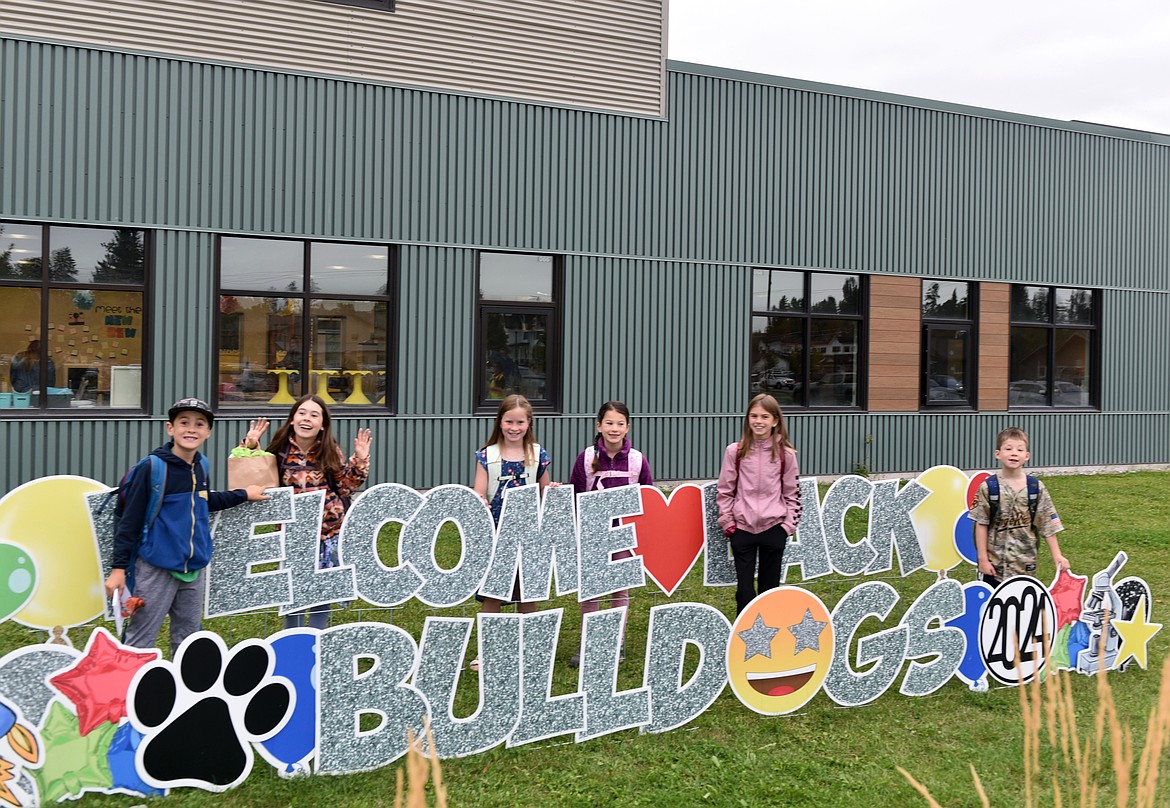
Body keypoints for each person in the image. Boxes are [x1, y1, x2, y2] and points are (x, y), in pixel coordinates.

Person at [103, 397, 269, 653]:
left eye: (199, 424)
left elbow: (205, 501)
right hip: (155, 568)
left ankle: (183, 692)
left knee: (189, 641)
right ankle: (130, 691)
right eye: (184, 422)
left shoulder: (201, 466)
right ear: (170, 428)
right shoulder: (152, 468)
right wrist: (118, 569)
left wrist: (243, 494)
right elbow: (129, 521)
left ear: (208, 432)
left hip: (193, 569)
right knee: (140, 640)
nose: (191, 429)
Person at [241, 394, 372, 629]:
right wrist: (251, 447)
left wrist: (360, 460)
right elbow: (257, 478)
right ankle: (293, 640)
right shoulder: (279, 451)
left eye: (314, 415)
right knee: (292, 592)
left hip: (327, 534)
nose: (307, 418)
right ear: (292, 419)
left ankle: (316, 639)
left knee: (321, 592)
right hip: (292, 535)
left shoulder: (330, 451)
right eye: (302, 413)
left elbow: (346, 486)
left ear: (322, 424)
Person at [470, 394, 555, 670]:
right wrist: (479, 500)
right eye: (509, 421)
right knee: (494, 592)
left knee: (527, 592)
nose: (514, 427)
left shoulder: (537, 455)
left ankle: (529, 648)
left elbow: (545, 491)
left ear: (529, 423)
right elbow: (479, 491)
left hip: (528, 533)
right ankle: (488, 651)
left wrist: (552, 493)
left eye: (520, 422)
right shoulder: (487, 455)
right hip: (497, 533)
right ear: (500, 422)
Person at [567, 401, 653, 668]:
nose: (614, 429)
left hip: (624, 535)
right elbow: (576, 495)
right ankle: (588, 643)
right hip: (593, 533)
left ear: (628, 427)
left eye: (619, 424)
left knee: (619, 589)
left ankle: (616, 643)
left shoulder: (637, 460)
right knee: (592, 590)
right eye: (609, 423)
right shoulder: (586, 457)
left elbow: (646, 496)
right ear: (599, 426)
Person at [716, 394, 802, 616]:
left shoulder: (786, 455)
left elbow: (793, 493)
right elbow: (725, 490)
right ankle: (744, 639)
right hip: (742, 528)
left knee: (769, 590)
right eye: (754, 416)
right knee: (744, 591)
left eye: (765, 416)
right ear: (748, 420)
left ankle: (769, 637)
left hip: (774, 529)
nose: (759, 421)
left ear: (775, 421)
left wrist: (787, 526)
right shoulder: (735, 451)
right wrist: (728, 522)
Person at [971, 426, 1068, 588]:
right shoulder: (989, 487)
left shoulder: (1035, 488)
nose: (1014, 453)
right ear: (998, 454)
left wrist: (1057, 555)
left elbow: (1047, 524)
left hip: (1025, 567)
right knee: (991, 611)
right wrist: (982, 559)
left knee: (1023, 610)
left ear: (1027, 456)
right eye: (1008, 448)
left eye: (1019, 449)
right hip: (994, 568)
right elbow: (981, 524)